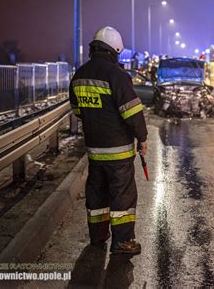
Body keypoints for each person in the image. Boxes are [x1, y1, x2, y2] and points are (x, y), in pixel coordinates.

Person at [69, 26, 147, 255]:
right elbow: (132, 112)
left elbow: (77, 111)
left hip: (94, 151)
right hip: (119, 153)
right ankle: (123, 242)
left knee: (97, 195)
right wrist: (142, 138)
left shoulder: (79, 75)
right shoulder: (117, 76)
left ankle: (98, 237)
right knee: (122, 197)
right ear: (115, 50)